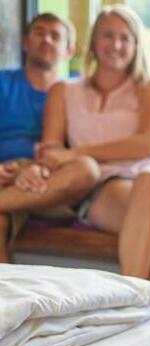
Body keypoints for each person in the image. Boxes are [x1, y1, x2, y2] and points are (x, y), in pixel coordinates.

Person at [37, 5, 150, 287]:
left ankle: (128, 298)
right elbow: (51, 150)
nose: (116, 45)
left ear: (136, 46)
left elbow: (145, 144)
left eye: (125, 38)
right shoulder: (64, 91)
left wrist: (75, 153)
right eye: (107, 36)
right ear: (93, 42)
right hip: (108, 182)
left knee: (149, 181)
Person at [0, 13, 99, 262]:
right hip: (6, 175)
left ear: (69, 50)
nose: (46, 40)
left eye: (55, 36)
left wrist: (39, 167)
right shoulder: (3, 83)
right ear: (25, 42)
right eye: (39, 32)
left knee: (85, 169)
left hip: (52, 180)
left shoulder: (79, 91)